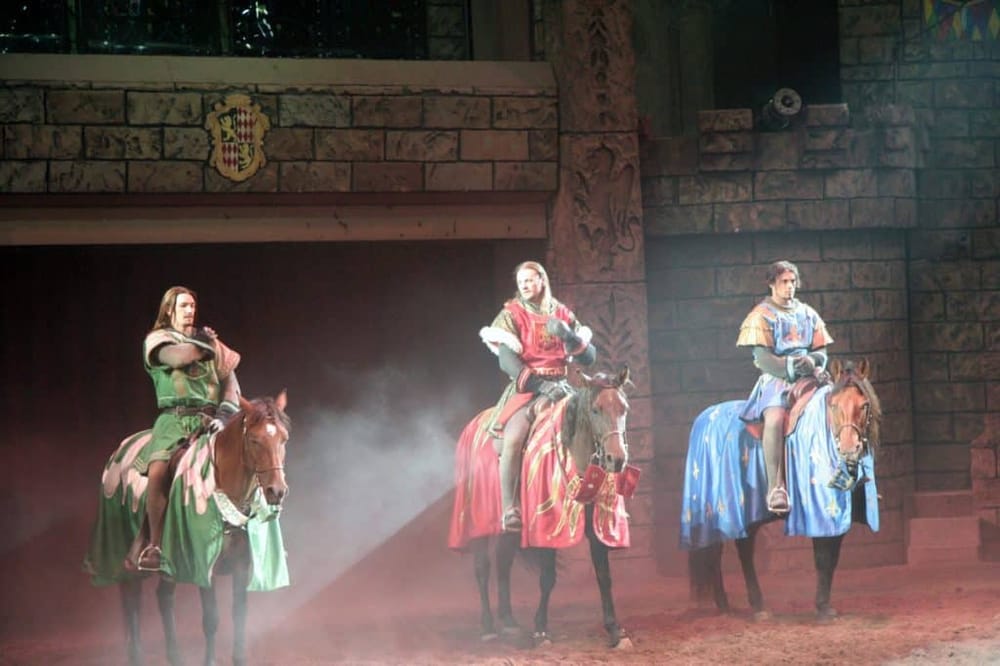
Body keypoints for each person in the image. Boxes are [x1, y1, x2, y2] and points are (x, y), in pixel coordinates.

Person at [127, 286, 242, 571]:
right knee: (158, 470)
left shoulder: (213, 345)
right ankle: (155, 545)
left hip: (211, 420)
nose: (191, 311)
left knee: (250, 456)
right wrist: (202, 343)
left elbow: (232, 384)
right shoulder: (158, 340)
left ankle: (246, 536)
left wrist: (226, 413)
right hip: (174, 421)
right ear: (170, 310)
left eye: (193, 305)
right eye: (184, 306)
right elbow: (177, 358)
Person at [479, 261, 597, 532]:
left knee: (600, 422)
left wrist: (569, 336)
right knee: (514, 437)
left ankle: (600, 490)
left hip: (564, 386)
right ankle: (510, 509)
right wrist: (539, 385)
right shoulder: (512, 313)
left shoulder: (562, 313)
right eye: (521, 281)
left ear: (542, 280)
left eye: (530, 280)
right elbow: (506, 360)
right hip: (529, 389)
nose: (524, 285)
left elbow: (590, 358)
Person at [737, 260, 833, 515]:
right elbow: (762, 358)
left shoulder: (807, 313)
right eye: (784, 282)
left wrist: (813, 360)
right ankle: (776, 486)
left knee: (838, 405)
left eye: (793, 282)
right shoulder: (761, 316)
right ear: (772, 284)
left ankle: (849, 471)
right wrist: (791, 366)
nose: (790, 287)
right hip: (777, 380)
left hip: (810, 376)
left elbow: (821, 348)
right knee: (776, 417)